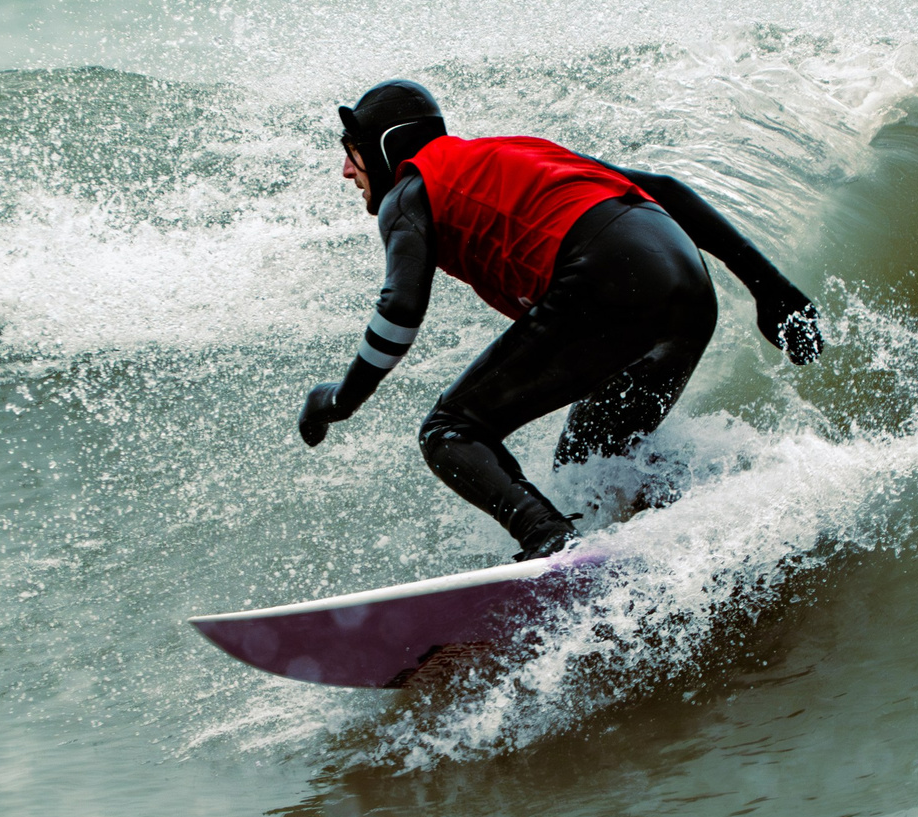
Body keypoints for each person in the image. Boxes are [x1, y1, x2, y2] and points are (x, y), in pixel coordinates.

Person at [298, 79, 824, 559]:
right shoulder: (516, 151)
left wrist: (341, 399)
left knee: (450, 431)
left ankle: (549, 542)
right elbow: (667, 190)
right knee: (592, 464)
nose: (347, 172)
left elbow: (400, 306)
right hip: (686, 286)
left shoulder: (409, 190)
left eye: (351, 154)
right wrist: (772, 292)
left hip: (606, 275)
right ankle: (716, 531)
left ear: (383, 146)